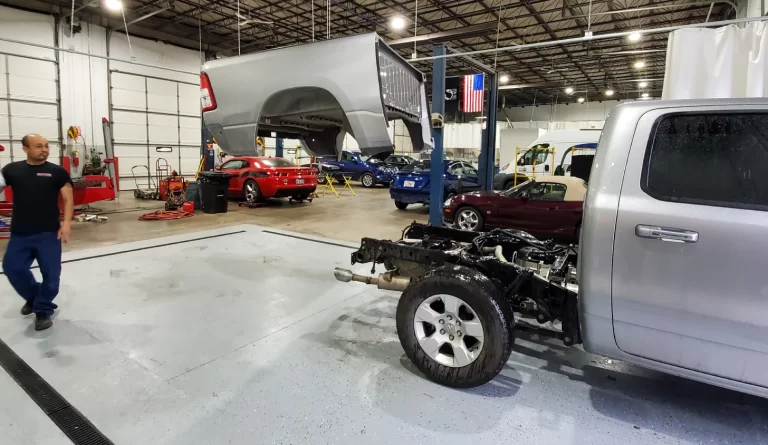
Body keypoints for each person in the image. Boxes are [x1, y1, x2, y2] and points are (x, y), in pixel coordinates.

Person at [0, 134, 73, 331]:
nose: (45, 150)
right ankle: (34, 298)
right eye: (39, 146)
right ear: (25, 149)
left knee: (51, 275)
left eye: (47, 146)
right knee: (12, 267)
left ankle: (42, 310)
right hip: (20, 233)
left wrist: (66, 223)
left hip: (49, 233)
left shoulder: (57, 172)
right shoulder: (11, 170)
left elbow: (68, 199)